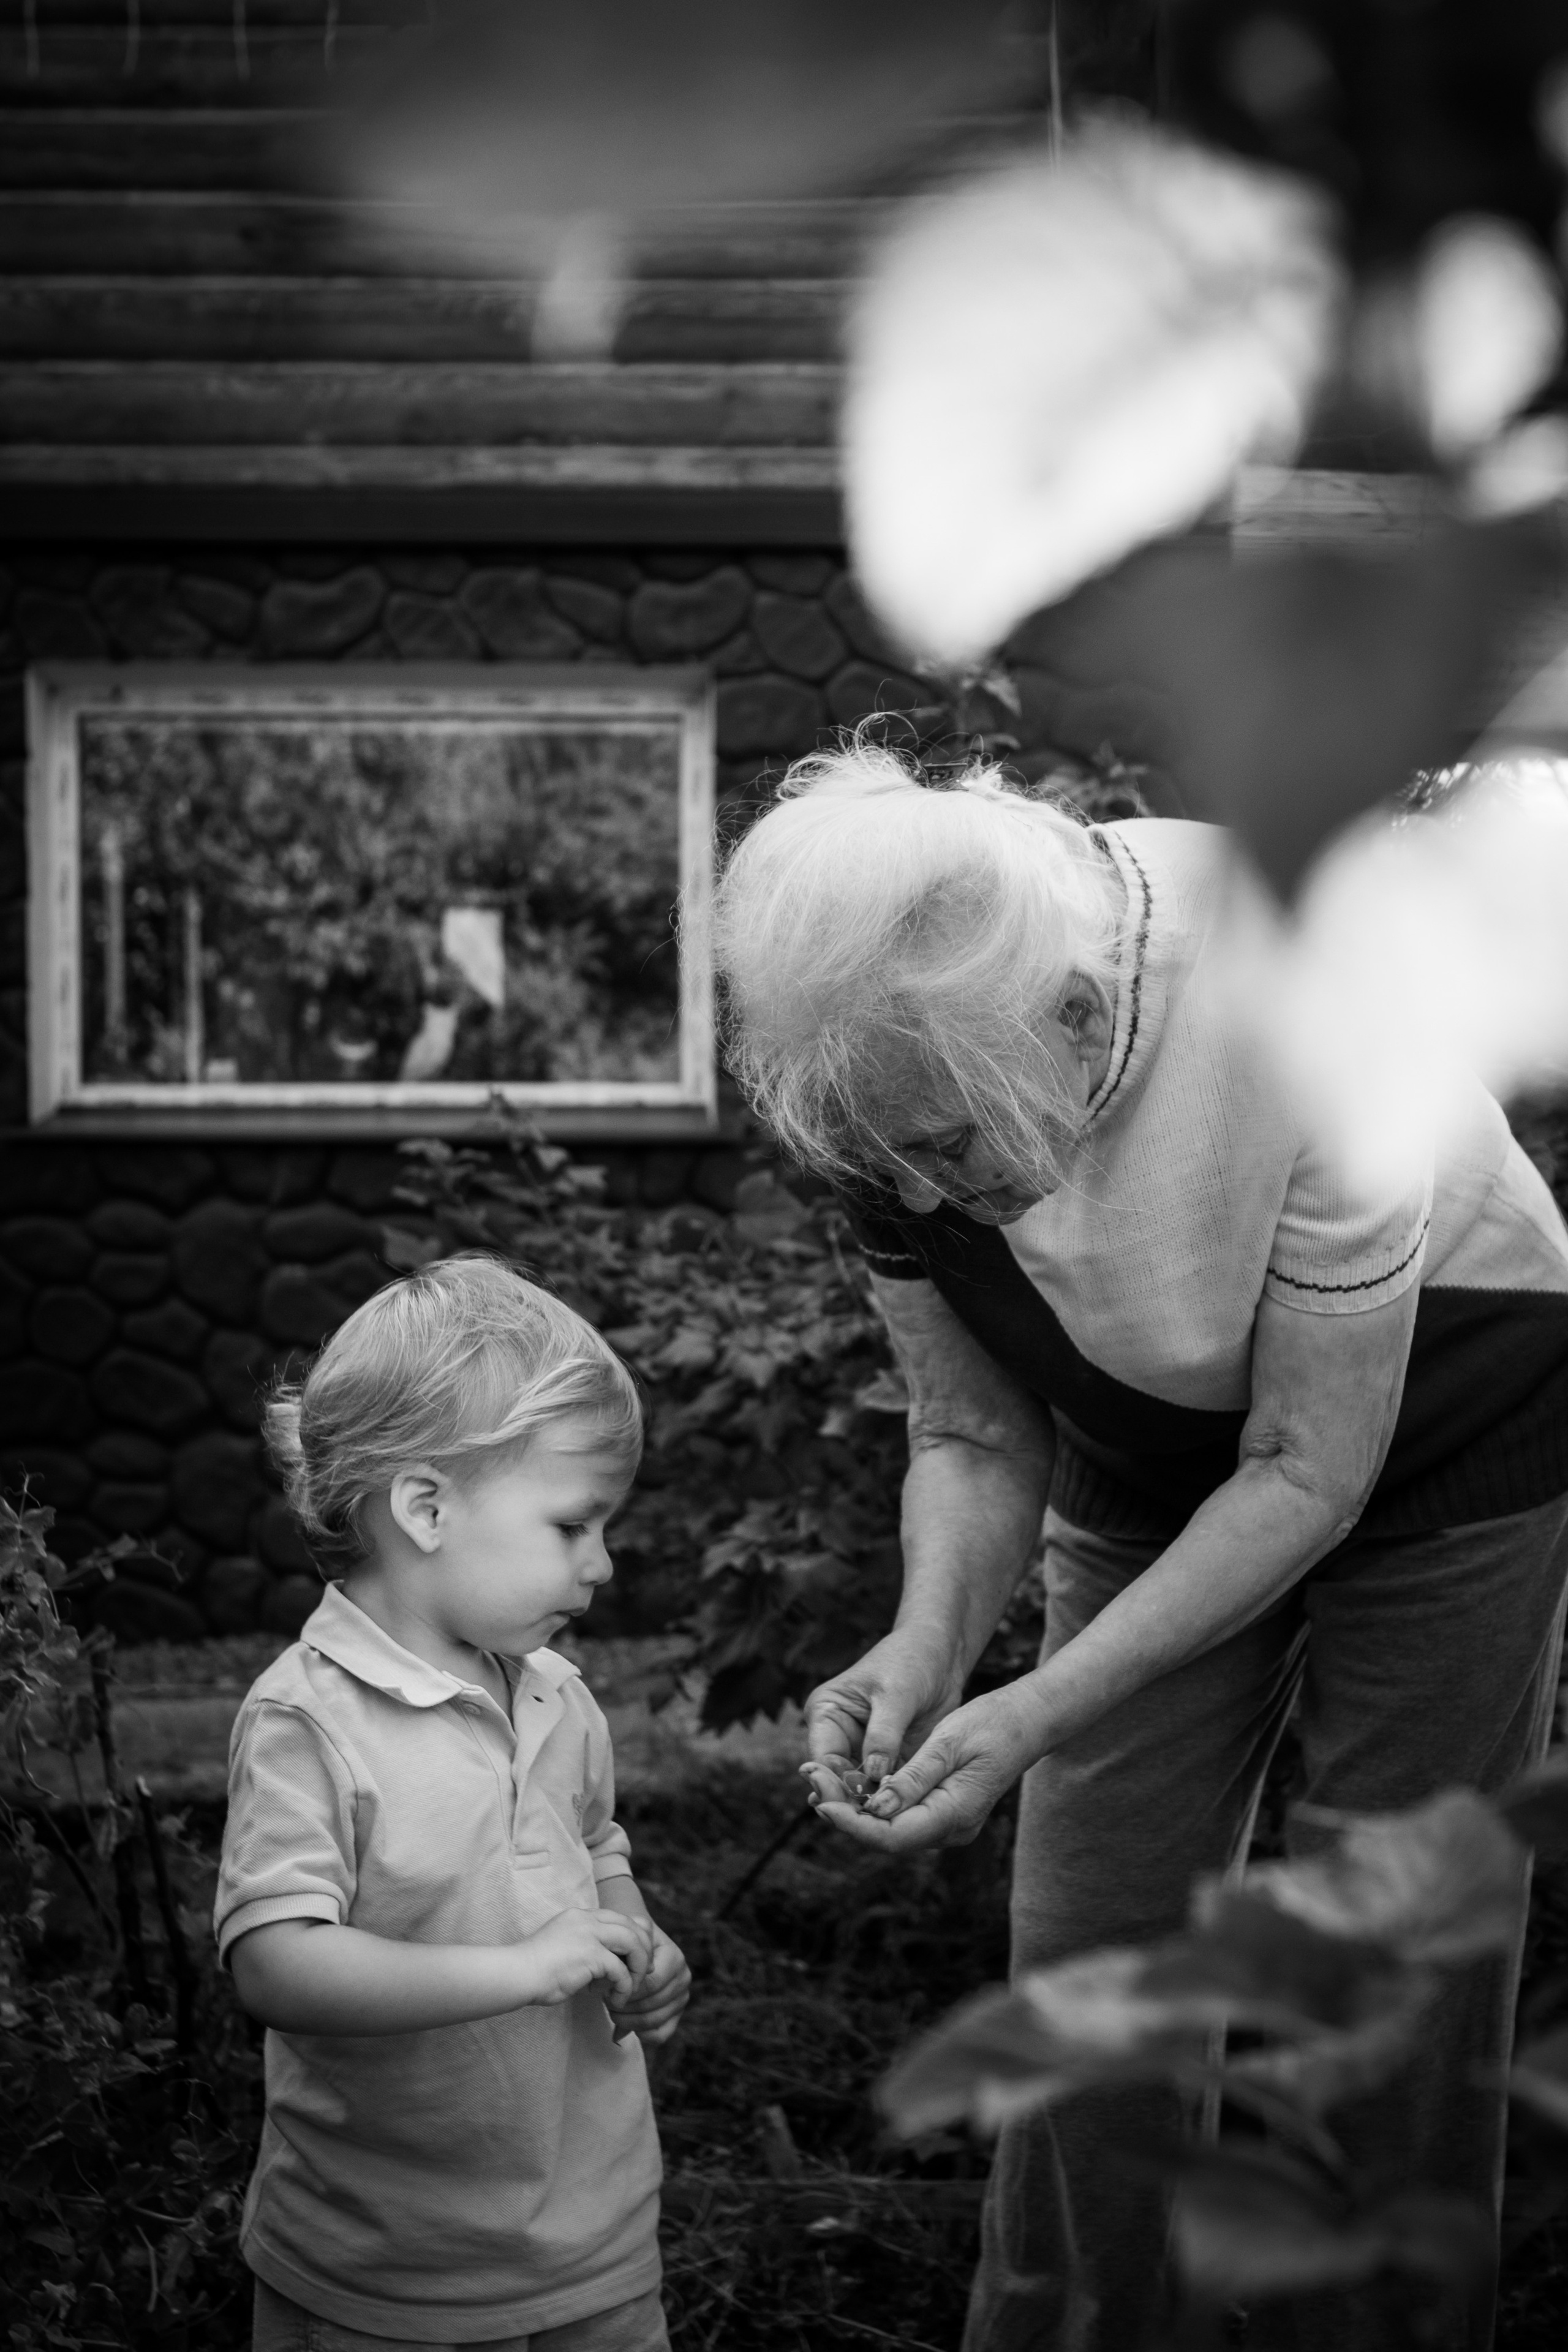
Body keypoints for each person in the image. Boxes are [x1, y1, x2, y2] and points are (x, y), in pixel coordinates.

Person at [709, 736, 1568, 2352]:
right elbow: (972, 1434)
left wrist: (1035, 1707)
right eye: (888, 1163)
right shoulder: (881, 1068)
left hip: (1454, 1412)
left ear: (1077, 1017)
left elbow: (1306, 1469)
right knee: (1089, 1932)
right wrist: (929, 1652)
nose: (920, 1198)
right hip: (1148, 1431)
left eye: (948, 1152)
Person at [216, 1255, 689, 2352]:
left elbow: (592, 1842)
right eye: (573, 1526)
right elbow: (275, 1965)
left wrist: (633, 1938)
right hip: (388, 2272)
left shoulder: (557, 1693)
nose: (604, 1566)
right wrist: (524, 1970)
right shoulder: (307, 1722)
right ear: (426, 1508)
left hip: (596, 2245)